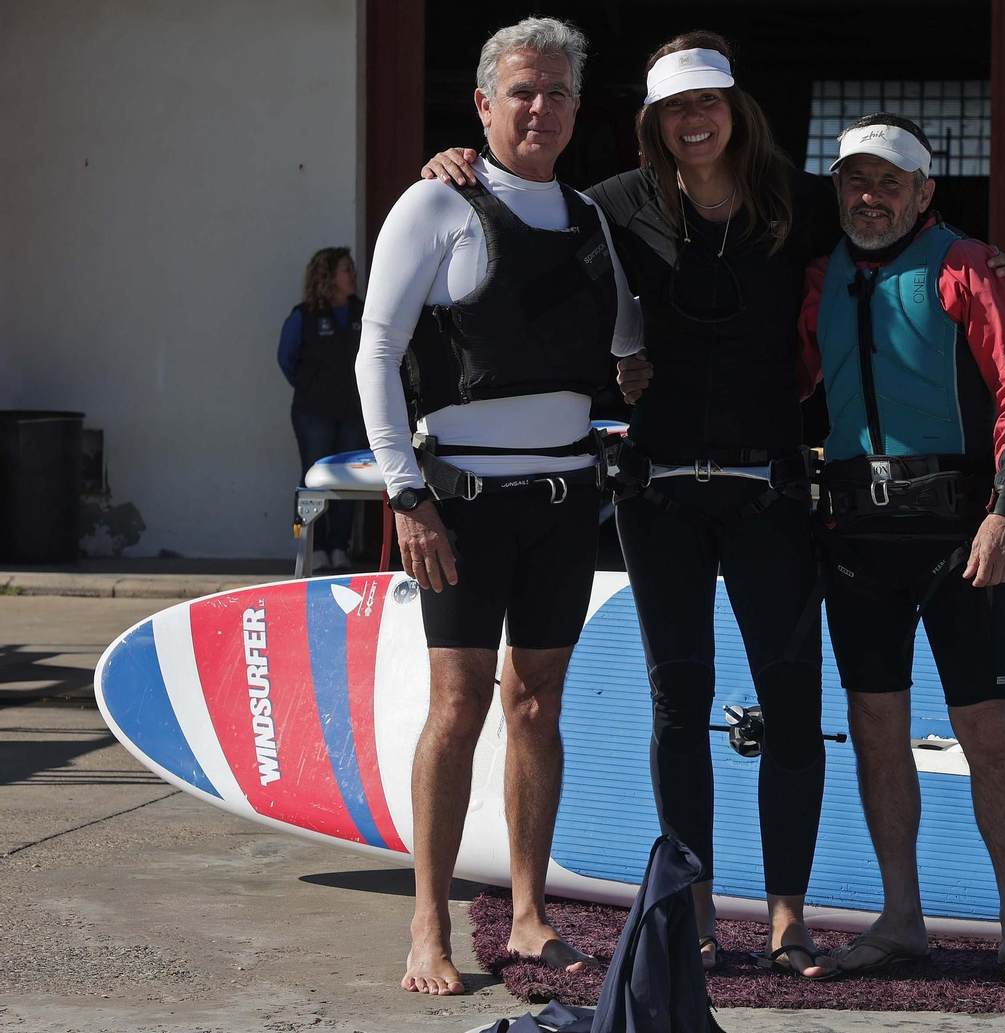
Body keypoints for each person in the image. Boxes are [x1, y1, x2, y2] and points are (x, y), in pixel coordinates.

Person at [422, 34, 1005, 982]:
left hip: (773, 491)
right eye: (674, 108)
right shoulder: (611, 206)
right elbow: (522, 216)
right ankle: (693, 903)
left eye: (708, 102)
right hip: (656, 490)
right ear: (653, 121)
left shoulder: (799, 202)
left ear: (734, 108)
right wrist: (454, 165)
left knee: (791, 705)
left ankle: (786, 911)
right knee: (680, 704)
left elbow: (898, 235)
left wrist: (995, 269)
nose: (693, 120)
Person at [357, 17, 642, 995]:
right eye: (521, 90)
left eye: (558, 92)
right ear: (482, 104)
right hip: (463, 505)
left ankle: (527, 916)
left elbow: (629, 342)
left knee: (537, 704)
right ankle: (428, 924)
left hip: (565, 502)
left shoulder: (592, 217)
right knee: (457, 705)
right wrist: (406, 492)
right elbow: (375, 353)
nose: (540, 107)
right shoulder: (435, 205)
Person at [798, 113, 1005, 987]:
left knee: (985, 731)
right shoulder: (819, 277)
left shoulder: (968, 266)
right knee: (876, 730)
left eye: (887, 182)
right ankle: (901, 916)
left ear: (923, 191)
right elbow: (779, 380)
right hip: (855, 538)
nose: (868, 197)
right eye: (853, 182)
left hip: (959, 534)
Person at [278, 247, 366, 571]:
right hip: (313, 413)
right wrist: (311, 389)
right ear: (327, 277)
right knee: (314, 479)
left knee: (350, 481)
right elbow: (286, 360)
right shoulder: (304, 316)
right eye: (346, 269)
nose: (353, 274)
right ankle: (311, 545)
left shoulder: (363, 312)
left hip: (354, 413)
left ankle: (338, 547)